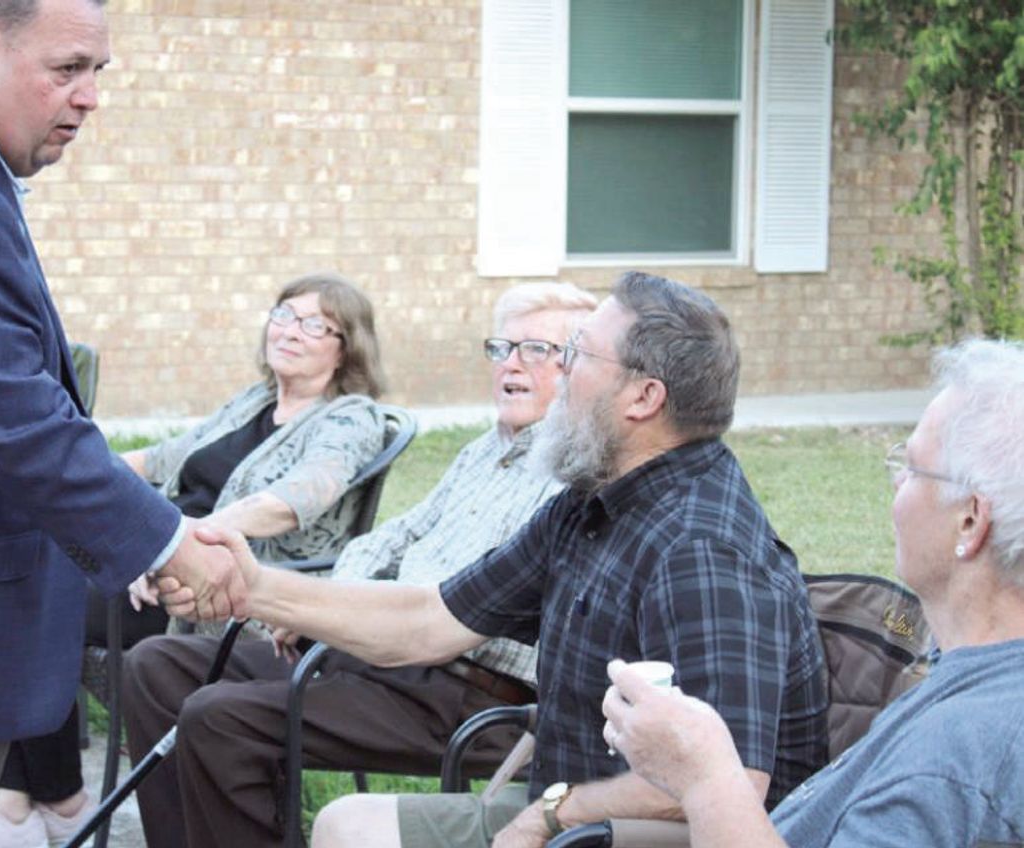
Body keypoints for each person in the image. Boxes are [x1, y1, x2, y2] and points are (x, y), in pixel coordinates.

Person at [167, 271, 830, 848]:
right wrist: (251, 585)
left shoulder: (702, 549)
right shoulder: (592, 503)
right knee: (347, 825)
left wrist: (552, 814)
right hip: (574, 805)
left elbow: (733, 782)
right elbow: (427, 620)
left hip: (636, 832)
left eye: (575, 354)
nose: (558, 371)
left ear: (643, 397)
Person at [0, 1, 245, 846]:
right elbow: (15, 418)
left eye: (99, 73)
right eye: (68, 68)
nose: (88, 99)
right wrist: (168, 543)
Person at [122, 282, 598, 848]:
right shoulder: (484, 449)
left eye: (536, 351)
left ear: (581, 368)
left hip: (466, 688)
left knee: (219, 717)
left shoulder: (572, 468)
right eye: (501, 349)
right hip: (380, 655)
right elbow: (392, 536)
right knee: (156, 665)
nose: (510, 366)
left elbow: (464, 601)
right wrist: (333, 604)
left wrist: (338, 609)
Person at [0, 271, 387, 847]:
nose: (291, 331)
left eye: (316, 324)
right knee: (25, 579)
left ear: (348, 347)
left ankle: (46, 799)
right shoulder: (253, 402)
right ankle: (39, 797)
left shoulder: (350, 417)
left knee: (40, 608)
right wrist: (66, 474)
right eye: (284, 315)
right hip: (156, 558)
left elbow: (297, 498)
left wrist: (172, 542)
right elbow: (164, 457)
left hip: (215, 589)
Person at [600, 338, 1024, 848]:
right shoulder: (981, 677)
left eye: (911, 468)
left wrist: (707, 778)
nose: (895, 485)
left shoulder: (952, 757)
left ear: (971, 520)